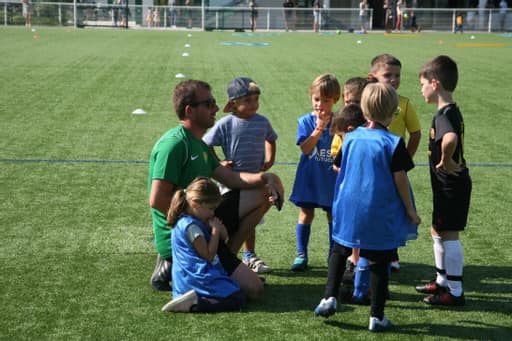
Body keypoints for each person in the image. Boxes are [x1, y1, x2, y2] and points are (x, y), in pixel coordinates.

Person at [148, 79, 284, 300]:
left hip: (204, 222)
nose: (216, 108)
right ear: (190, 111)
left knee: (263, 193)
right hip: (187, 233)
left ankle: (223, 259)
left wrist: (267, 177)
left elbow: (231, 179)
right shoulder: (173, 145)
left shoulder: (199, 145)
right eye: (209, 103)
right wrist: (198, 227)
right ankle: (176, 261)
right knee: (253, 290)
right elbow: (158, 200)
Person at [314, 83, 421, 333]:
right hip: (378, 209)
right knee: (379, 260)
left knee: (340, 250)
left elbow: (337, 166)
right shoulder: (393, 142)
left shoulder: (350, 138)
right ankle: (376, 315)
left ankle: (329, 296)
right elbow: (400, 178)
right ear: (393, 113)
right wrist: (410, 210)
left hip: (348, 205)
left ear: (363, 109)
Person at [203, 77, 278, 274]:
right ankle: (228, 253)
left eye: (256, 99)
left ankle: (249, 254)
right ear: (234, 104)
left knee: (250, 219)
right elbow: (207, 144)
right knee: (233, 218)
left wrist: (269, 160)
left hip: (254, 178)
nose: (254, 104)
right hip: (230, 181)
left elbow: (271, 139)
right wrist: (219, 162)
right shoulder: (226, 123)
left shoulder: (262, 122)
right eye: (248, 100)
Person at [415, 55, 471, 306]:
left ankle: (455, 291)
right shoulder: (450, 110)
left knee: (449, 234)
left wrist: (446, 159)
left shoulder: (443, 116)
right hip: (447, 184)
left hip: (451, 184)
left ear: (435, 84)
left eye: (423, 84)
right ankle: (441, 281)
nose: (421, 89)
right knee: (437, 229)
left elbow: (450, 139)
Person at [368, 53, 421, 272]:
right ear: (373, 77)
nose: (393, 79)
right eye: (387, 75)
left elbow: (415, 133)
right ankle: (363, 252)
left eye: (397, 75)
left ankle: (392, 254)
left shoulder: (404, 104)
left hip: (395, 170)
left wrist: (405, 160)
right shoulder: (368, 102)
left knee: (395, 209)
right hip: (372, 168)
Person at [161, 177, 246, 313]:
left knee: (237, 293)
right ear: (195, 203)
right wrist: (215, 232)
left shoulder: (194, 220)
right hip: (194, 280)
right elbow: (208, 255)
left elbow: (225, 237)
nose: (213, 213)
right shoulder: (192, 227)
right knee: (237, 299)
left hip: (192, 279)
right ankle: (197, 303)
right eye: (211, 209)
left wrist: (219, 229)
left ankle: (194, 300)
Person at [289, 73, 340, 271]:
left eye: (326, 100)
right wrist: (318, 130)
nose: (320, 104)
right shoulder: (305, 121)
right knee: (305, 213)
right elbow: (305, 148)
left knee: (332, 215)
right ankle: (301, 254)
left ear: (335, 100)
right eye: (316, 99)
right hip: (309, 177)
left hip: (331, 178)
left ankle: (332, 254)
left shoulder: (339, 121)